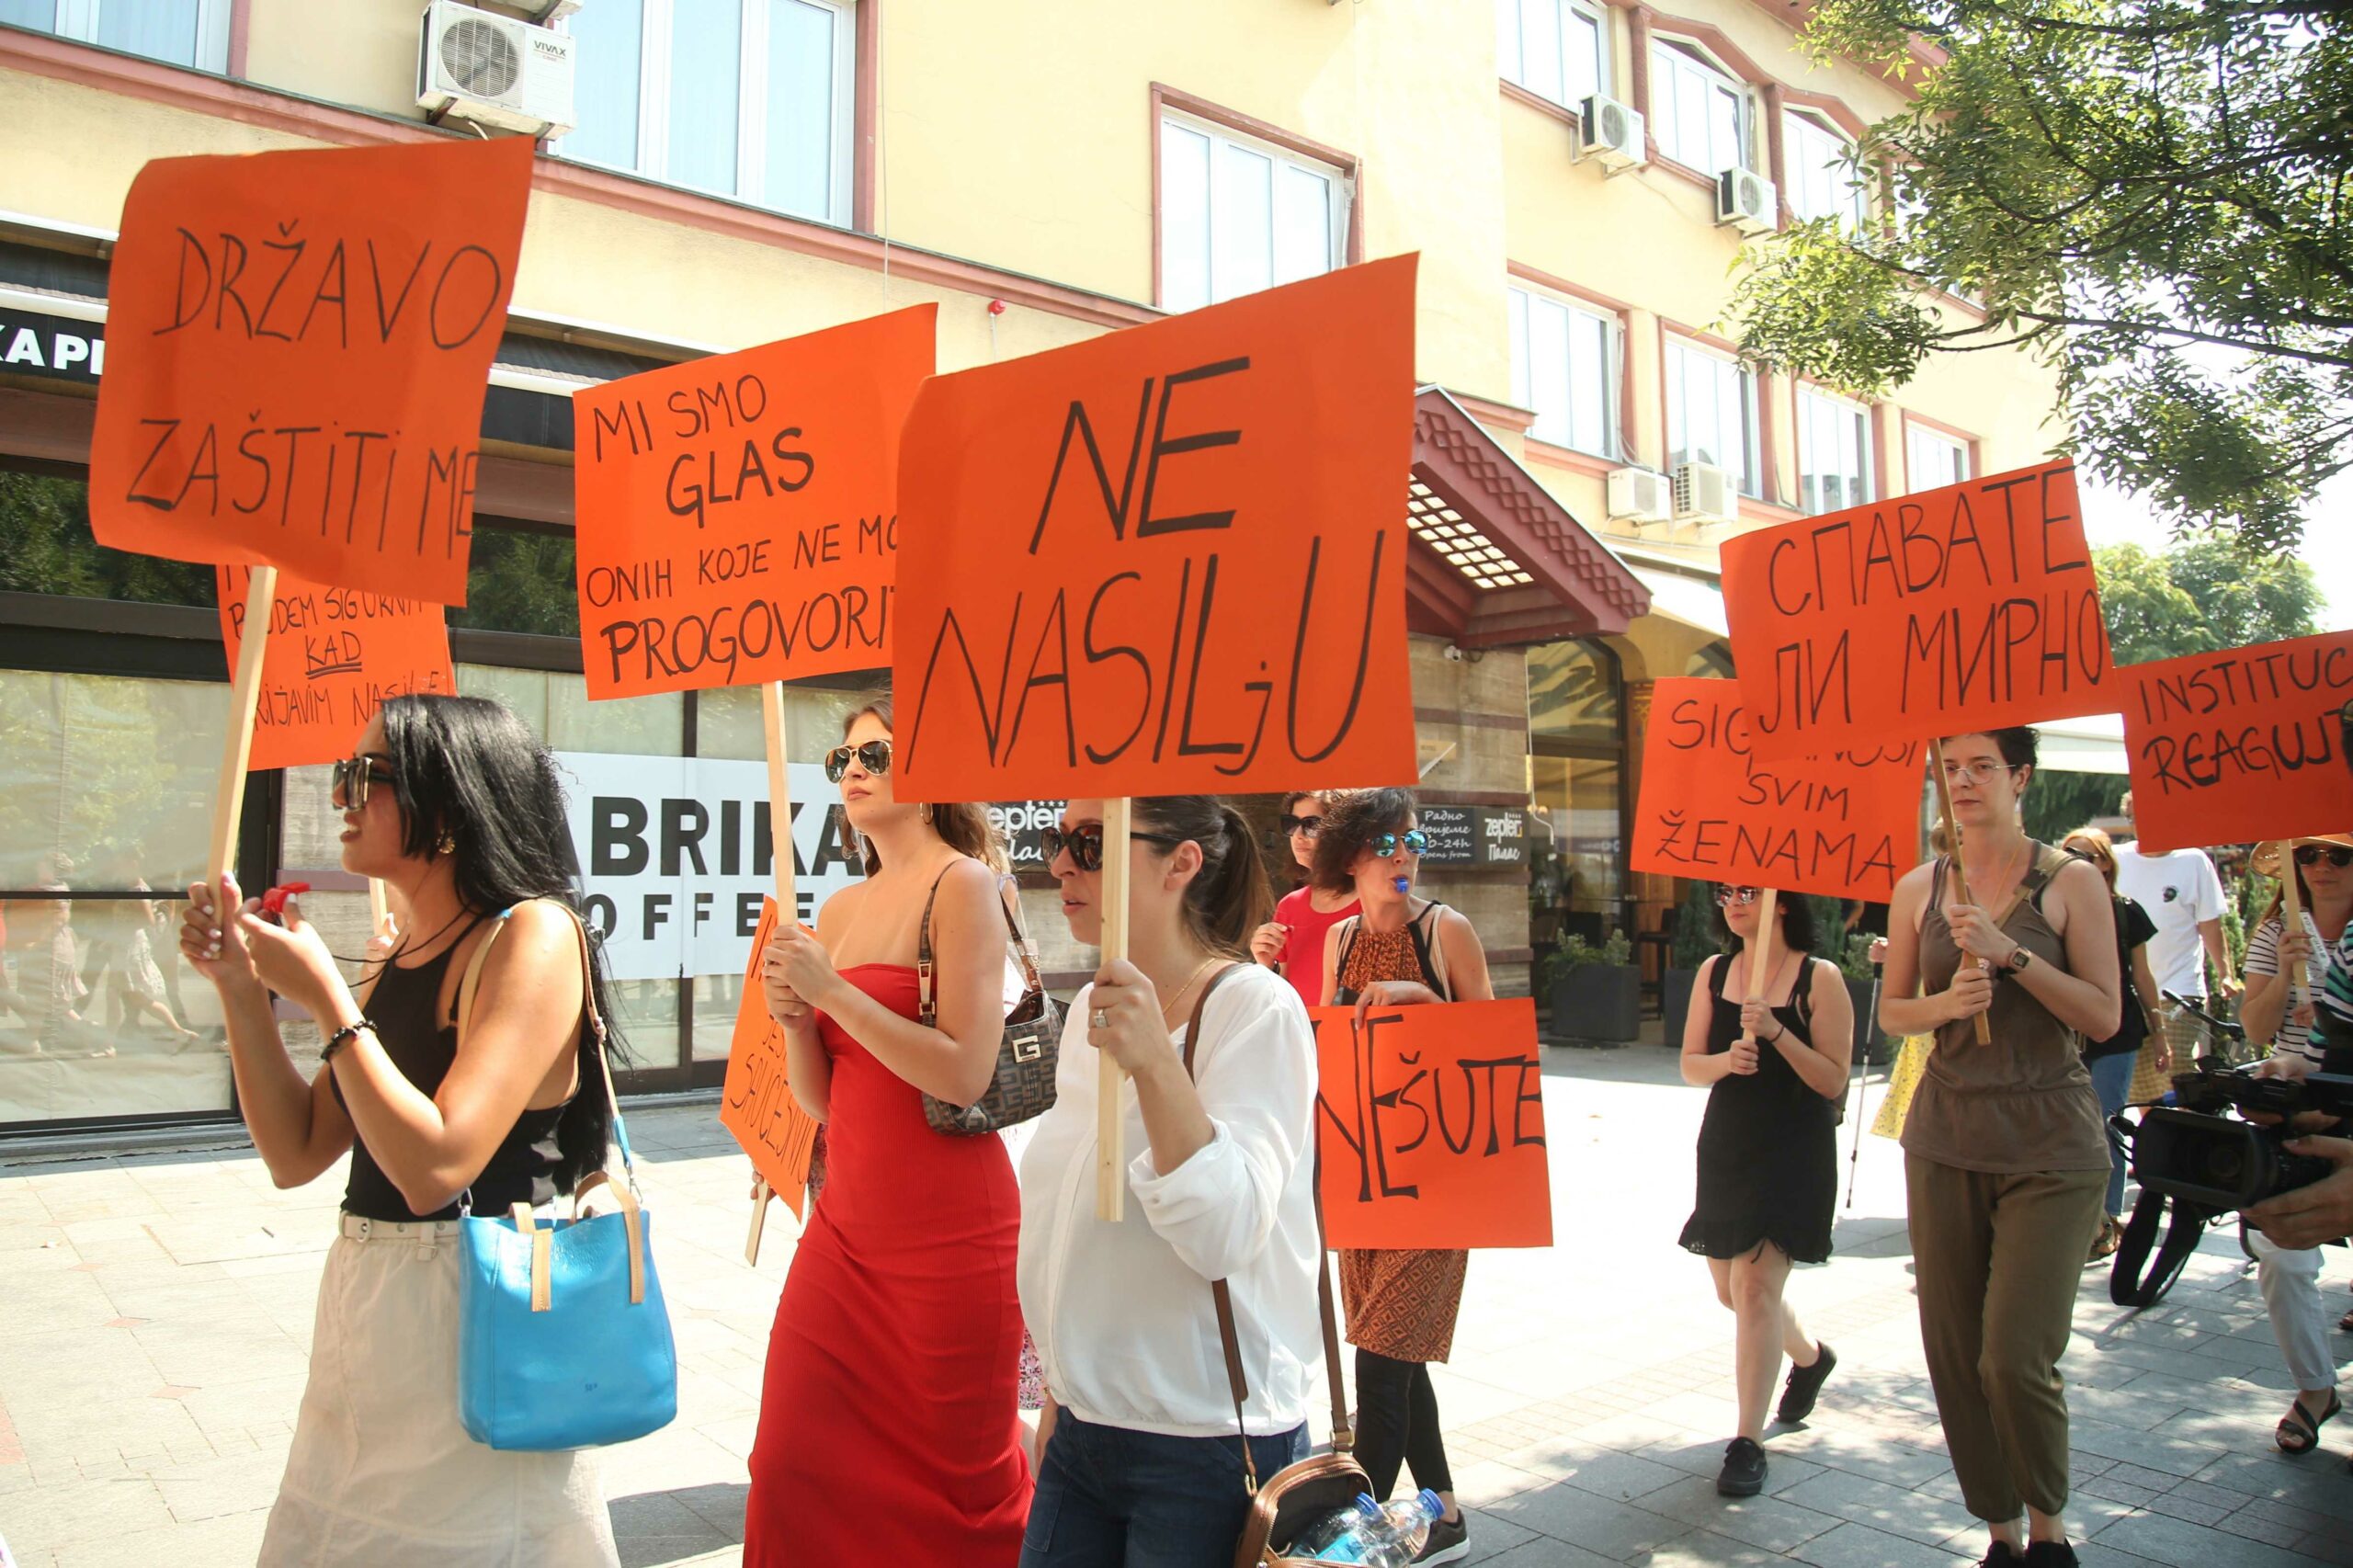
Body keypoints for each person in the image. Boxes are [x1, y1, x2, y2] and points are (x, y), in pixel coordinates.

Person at [176, 694, 621, 1563]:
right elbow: (296, 1151)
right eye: (343, 772)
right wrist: (241, 989)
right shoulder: (400, 948)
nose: (340, 795)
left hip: (481, 1311)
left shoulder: (532, 933)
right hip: (371, 1306)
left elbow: (438, 1166)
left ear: (448, 804)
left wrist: (326, 996)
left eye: (366, 775)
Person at [744, 697, 1030, 1565]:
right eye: (843, 760)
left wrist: (831, 993)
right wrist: (794, 1020)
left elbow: (964, 1072)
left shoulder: (965, 884)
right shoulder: (835, 910)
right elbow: (824, 1102)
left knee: (954, 1500)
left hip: (952, 1238)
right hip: (846, 1234)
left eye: (877, 753)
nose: (854, 771)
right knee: (788, 1466)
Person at [1017, 795, 1319, 1567]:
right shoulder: (1090, 1010)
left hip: (1204, 1440)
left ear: (1181, 863)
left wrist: (1156, 1060)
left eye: (1092, 843)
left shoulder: (1255, 1007)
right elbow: (1070, 1214)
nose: (1061, 865)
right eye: (1057, 840)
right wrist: (1060, 1391)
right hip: (1085, 1424)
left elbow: (1225, 1233)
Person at [1879, 729, 2120, 1568]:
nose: (1964, 781)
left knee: (2013, 1357)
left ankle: (2050, 1531)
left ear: (2020, 778)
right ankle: (2001, 1535)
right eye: (1950, 768)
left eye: (1983, 766)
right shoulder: (1918, 887)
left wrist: (2009, 954)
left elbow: (2103, 1016)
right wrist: (1946, 1004)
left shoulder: (2071, 880)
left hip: (2051, 1142)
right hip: (1945, 1138)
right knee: (1953, 1354)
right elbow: (1894, 1012)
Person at [1314, 786, 1493, 1566]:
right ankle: (1444, 1515)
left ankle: (1350, 1544)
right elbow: (1329, 1052)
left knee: (1381, 1369)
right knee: (1398, 1354)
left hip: (1438, 1182)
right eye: (1387, 844)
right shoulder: (1339, 939)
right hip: (1367, 1179)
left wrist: (1425, 997)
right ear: (1352, 858)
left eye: (1413, 841)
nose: (1404, 857)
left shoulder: (1446, 930)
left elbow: (1495, 1050)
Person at [1677, 885, 1852, 1497]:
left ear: (1781, 901)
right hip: (1728, 1146)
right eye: (1723, 892)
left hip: (1793, 1149)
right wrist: (1727, 1060)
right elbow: (1690, 1064)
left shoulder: (1819, 978)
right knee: (1734, 1292)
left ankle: (1746, 1443)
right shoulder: (1714, 971)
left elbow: (1833, 1079)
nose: (1731, 902)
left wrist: (1776, 1032)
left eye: (1746, 891)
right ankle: (1810, 1355)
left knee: (1755, 1290)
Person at [2239, 835, 2352, 1458]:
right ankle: (2315, 1388)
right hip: (2298, 1108)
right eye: (2307, 855)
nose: (2321, 866)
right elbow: (2256, 1028)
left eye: (2340, 855)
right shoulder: (2277, 930)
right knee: (2281, 1253)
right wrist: (2285, 971)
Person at [2056, 827, 2165, 1259]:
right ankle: (2072, 1215)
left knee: (2105, 1121)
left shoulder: (2126, 911)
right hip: (2067, 1032)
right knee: (2068, 1125)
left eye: (2085, 855)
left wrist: (2159, 1034)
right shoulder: (2053, 909)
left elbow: (2143, 976)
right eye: (2067, 853)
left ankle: (2105, 1220)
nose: (2075, 861)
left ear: (2105, 863)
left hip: (2118, 1031)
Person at [2113, 790, 2238, 1063]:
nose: (2141, 823)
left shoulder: (2193, 861)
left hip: (2180, 988)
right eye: (2134, 818)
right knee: (2142, 1079)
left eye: (2150, 815)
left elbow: (2210, 924)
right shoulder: (2115, 859)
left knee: (2175, 1071)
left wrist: (2225, 973)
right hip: (2130, 992)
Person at [1250, 790, 1360, 1013]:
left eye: (1312, 825)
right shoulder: (1289, 905)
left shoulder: (1372, 901)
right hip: (1303, 1029)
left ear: (1343, 832)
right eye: (1291, 824)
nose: (1299, 835)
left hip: (1354, 1028)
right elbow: (1283, 992)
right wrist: (1266, 963)